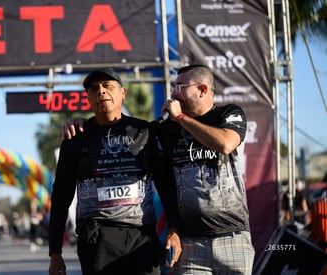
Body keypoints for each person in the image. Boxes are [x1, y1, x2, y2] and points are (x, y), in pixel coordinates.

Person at [61, 64, 255, 274]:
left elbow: (225, 144)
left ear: (203, 89)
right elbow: (126, 130)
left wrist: (181, 118)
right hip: (190, 242)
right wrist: (82, 124)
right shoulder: (165, 128)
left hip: (233, 237)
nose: (174, 93)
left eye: (181, 86)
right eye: (174, 86)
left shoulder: (228, 114)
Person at [48, 68, 181, 275]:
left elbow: (166, 184)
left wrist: (174, 229)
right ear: (88, 99)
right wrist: (55, 252)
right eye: (94, 89)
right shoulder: (76, 138)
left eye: (107, 86)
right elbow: (61, 196)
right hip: (98, 240)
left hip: (142, 238)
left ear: (123, 93)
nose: (101, 92)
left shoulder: (146, 132)